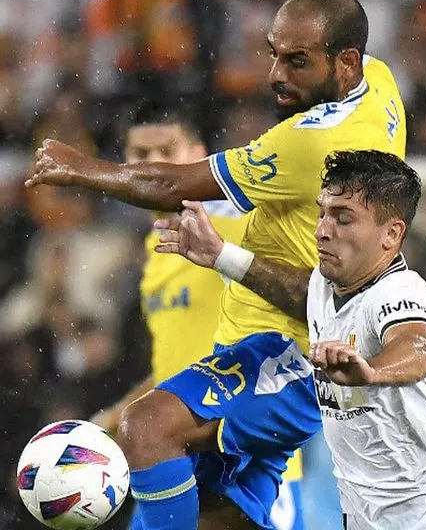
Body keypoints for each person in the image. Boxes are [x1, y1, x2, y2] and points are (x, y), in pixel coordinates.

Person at [25, 0, 408, 530]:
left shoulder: (303, 153)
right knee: (202, 499)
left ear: (345, 64)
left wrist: (82, 168)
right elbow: (173, 359)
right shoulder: (379, 81)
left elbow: (172, 186)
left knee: (150, 429)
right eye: (274, 53)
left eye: (297, 61)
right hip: (237, 369)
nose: (276, 75)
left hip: (284, 360)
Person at [154, 150, 426, 529]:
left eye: (343, 218)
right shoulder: (329, 287)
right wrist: (221, 255)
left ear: (392, 234)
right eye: (323, 212)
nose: (323, 229)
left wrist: (371, 371)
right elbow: (298, 292)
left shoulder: (400, 294)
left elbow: (419, 346)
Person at [90, 103, 306, 530]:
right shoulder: (156, 254)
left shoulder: (226, 222)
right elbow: (176, 364)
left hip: (241, 465)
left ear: (199, 155)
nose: (152, 165)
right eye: (140, 154)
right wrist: (111, 418)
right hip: (175, 461)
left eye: (166, 150)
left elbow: (300, 285)